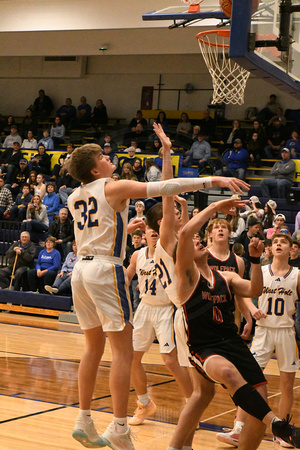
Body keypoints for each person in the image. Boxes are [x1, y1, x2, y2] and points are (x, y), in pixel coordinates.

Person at [66, 126, 249, 449]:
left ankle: (84, 417)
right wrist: (215, 182)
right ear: (95, 169)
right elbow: (166, 188)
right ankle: (120, 426)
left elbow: (97, 233)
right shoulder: (113, 186)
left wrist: (123, 228)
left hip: (81, 268)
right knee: (123, 353)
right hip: (113, 273)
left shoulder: (75, 195)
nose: (109, 159)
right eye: (103, 157)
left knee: (92, 348)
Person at [167, 198, 300, 450]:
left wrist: (255, 260)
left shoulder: (226, 276)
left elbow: (254, 289)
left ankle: (266, 430)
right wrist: (215, 208)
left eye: (199, 240)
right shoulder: (185, 275)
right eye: (195, 242)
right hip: (204, 346)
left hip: (232, 342)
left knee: (257, 403)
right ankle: (279, 425)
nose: (196, 241)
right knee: (226, 375)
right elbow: (185, 232)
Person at [223, 233, 300, 448]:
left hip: (286, 332)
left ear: (292, 249)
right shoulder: (262, 271)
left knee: (287, 384)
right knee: (247, 381)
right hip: (263, 332)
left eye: (283, 242)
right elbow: (244, 294)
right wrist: (253, 309)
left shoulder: (298, 275)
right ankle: (238, 429)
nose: (278, 244)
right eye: (275, 242)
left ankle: (282, 432)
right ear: (269, 248)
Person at [126, 224, 192, 426]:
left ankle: (192, 406)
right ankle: (144, 403)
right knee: (132, 359)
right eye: (149, 230)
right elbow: (127, 278)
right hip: (144, 308)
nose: (153, 233)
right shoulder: (137, 256)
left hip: (166, 309)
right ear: (143, 235)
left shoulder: (170, 253)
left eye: (157, 230)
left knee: (170, 361)